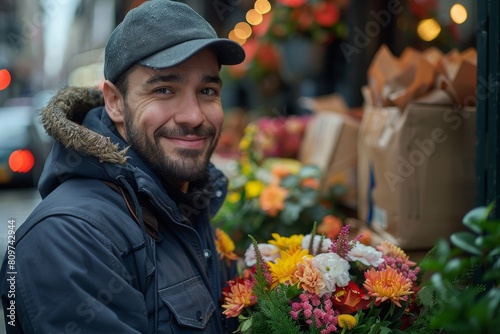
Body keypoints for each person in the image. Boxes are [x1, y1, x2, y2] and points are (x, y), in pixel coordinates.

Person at [0, 1, 245, 333]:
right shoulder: (68, 239)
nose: (194, 116)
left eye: (207, 90)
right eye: (164, 90)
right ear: (115, 102)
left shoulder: (183, 199)